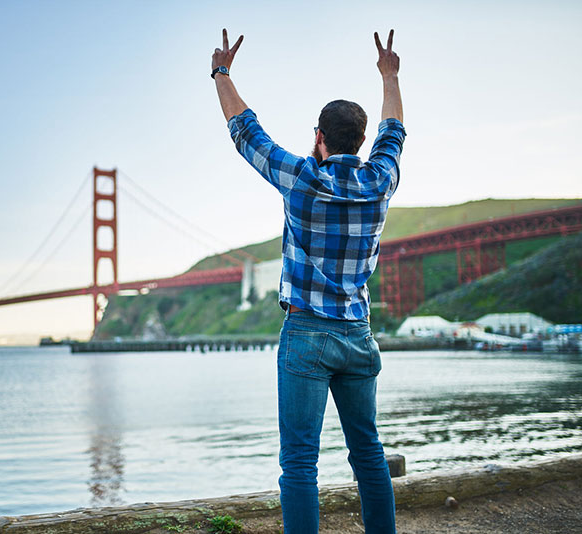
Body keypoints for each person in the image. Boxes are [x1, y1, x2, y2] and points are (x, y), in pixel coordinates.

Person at [211, 28, 405, 534]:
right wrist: (390, 74)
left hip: (306, 337)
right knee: (368, 453)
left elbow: (245, 132)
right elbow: (395, 131)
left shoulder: (300, 177)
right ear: (359, 141)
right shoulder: (379, 181)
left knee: (299, 463)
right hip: (358, 336)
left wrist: (221, 72)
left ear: (319, 137)